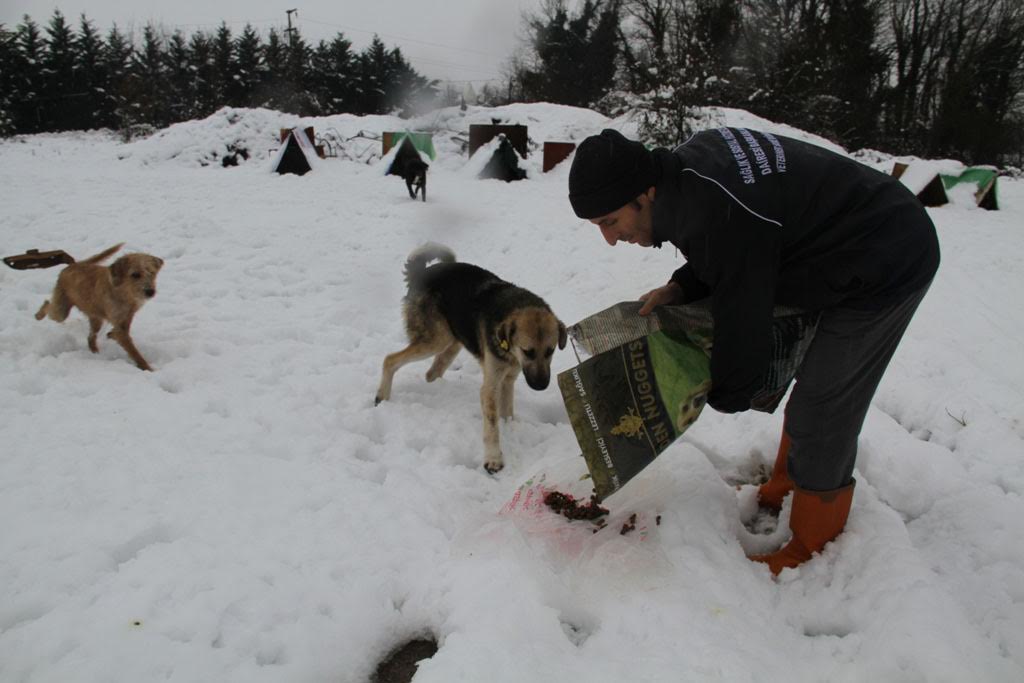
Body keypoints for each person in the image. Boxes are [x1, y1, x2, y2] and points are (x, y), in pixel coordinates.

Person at [567, 128, 939, 574]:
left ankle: (812, 546)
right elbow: (734, 245)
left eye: (610, 222)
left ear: (644, 194)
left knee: (824, 405)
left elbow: (744, 312)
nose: (610, 239)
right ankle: (787, 483)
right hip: (828, 247)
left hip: (886, 257)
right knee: (815, 392)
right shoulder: (687, 182)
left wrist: (723, 391)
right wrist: (682, 286)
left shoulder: (713, 202)